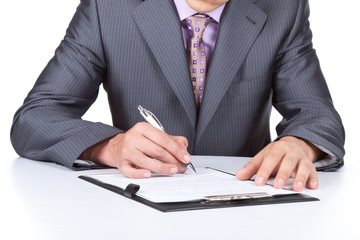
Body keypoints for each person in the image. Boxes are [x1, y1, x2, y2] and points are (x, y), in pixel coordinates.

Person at [11, 0, 345, 192]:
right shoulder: (107, 8)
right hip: (137, 209)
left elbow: (317, 115)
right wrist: (110, 147)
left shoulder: (283, 8)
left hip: (243, 209)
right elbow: (36, 118)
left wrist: (300, 144)